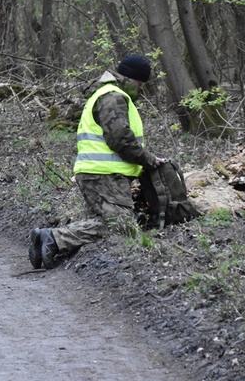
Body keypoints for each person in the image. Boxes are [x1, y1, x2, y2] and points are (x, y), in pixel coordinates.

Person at [29, 54, 166, 269]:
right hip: (105, 175)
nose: (140, 90)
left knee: (105, 222)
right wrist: (148, 159)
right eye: (139, 84)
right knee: (121, 227)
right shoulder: (113, 96)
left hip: (98, 173)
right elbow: (119, 139)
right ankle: (54, 238)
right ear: (130, 78)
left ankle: (49, 240)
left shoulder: (105, 93)